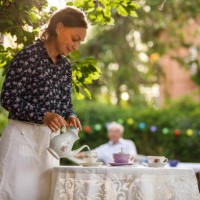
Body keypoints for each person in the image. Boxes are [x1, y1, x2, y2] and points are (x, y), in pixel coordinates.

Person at [0, 6, 87, 200]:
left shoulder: (65, 67)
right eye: (75, 39)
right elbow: (8, 97)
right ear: (59, 28)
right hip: (21, 142)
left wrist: (71, 115)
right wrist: (43, 115)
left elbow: (65, 104)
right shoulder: (28, 56)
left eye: (80, 41)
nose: (76, 46)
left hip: (50, 147)